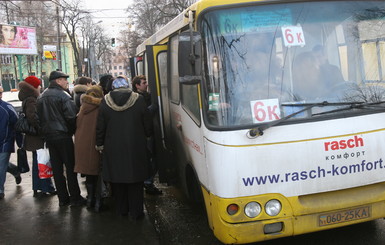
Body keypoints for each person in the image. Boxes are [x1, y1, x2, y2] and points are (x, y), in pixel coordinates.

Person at [96, 76, 152, 219]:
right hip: (135, 145)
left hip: (113, 147)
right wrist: (147, 135)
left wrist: (100, 144)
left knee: (117, 181)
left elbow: (100, 126)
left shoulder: (105, 101)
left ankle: (122, 210)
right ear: (127, 85)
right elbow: (147, 123)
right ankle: (137, 212)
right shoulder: (138, 99)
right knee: (136, 181)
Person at [37, 70, 85, 207]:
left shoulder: (41, 96)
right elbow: (71, 117)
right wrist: (71, 131)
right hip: (63, 136)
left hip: (49, 137)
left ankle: (63, 198)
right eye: (64, 79)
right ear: (58, 81)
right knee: (70, 168)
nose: (66, 82)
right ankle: (75, 197)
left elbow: (38, 118)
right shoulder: (63, 96)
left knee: (57, 170)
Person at [18, 76, 56, 197]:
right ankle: (46, 187)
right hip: (36, 136)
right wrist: (42, 130)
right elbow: (33, 117)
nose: (40, 87)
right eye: (39, 85)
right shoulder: (31, 99)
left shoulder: (27, 98)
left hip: (32, 136)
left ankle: (38, 187)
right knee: (42, 162)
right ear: (34, 86)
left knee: (38, 161)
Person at [74, 85, 104, 211]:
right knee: (98, 175)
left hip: (81, 145)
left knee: (89, 175)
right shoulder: (100, 108)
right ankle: (98, 203)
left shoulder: (82, 108)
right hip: (95, 146)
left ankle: (90, 200)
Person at [132, 75, 162, 195]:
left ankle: (148, 181)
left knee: (154, 158)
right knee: (151, 159)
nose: (146, 84)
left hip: (151, 131)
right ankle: (148, 182)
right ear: (137, 85)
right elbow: (142, 114)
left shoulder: (147, 95)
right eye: (144, 83)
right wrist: (153, 107)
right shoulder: (136, 98)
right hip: (146, 134)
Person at [0, 86, 21, 199]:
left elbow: (17, 125)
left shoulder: (7, 107)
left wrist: (20, 142)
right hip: (4, 142)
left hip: (4, 142)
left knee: (0, 166)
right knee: (2, 165)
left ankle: (0, 190)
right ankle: (15, 170)